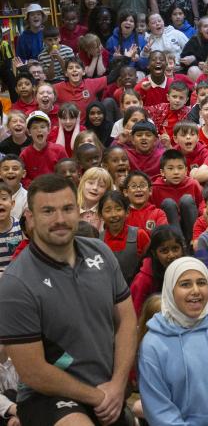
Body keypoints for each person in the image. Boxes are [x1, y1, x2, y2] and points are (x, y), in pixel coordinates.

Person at [0, 174, 137, 425]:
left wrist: (117, 385)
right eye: (48, 211)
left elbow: (127, 322)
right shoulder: (16, 283)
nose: (60, 219)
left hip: (108, 388)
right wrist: (98, 396)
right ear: (30, 217)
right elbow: (33, 372)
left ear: (79, 211)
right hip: (48, 397)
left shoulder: (101, 253)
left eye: (67, 209)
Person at [137, 257, 208, 425]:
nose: (195, 290)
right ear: (170, 290)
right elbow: (158, 409)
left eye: (201, 283)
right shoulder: (153, 344)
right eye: (185, 284)